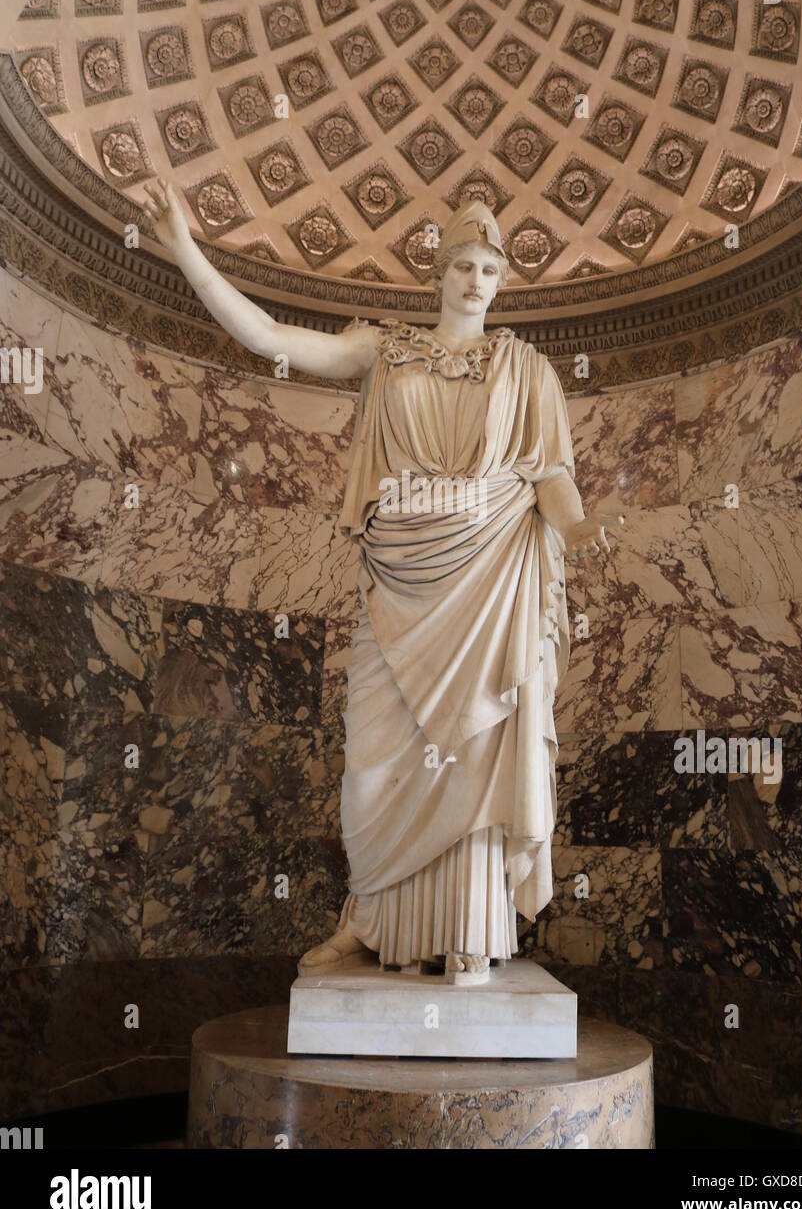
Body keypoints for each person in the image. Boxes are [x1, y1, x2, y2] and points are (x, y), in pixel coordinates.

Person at [141, 180, 624, 983]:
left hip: (489, 578)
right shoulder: (386, 349)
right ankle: (369, 922)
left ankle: (469, 927)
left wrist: (578, 528)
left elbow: (551, 476)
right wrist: (188, 252)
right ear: (439, 273)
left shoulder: (527, 367)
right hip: (398, 580)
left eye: (489, 271)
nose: (475, 281)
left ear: (501, 283)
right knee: (369, 769)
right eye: (463, 265)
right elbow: (270, 338)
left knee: (474, 745)